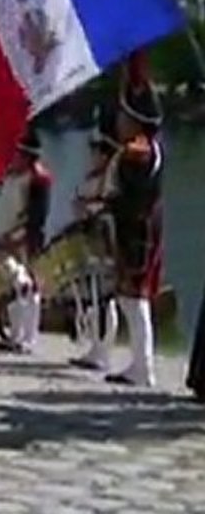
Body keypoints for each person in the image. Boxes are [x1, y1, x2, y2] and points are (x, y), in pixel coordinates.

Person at [104, 54, 164, 387]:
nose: (120, 120)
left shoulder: (138, 150)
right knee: (129, 295)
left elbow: (130, 194)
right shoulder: (138, 147)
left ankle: (144, 366)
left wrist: (109, 203)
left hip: (136, 227)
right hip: (135, 224)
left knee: (134, 295)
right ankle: (139, 364)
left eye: (125, 114)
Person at [0, 129, 51, 354]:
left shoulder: (38, 180)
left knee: (28, 287)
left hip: (25, 240)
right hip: (4, 238)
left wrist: (15, 239)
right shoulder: (9, 177)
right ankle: (14, 335)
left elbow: (36, 219)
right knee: (11, 286)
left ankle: (28, 338)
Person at [68, 107, 120, 372]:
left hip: (104, 240)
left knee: (105, 297)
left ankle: (103, 352)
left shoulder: (110, 179)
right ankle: (95, 347)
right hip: (88, 240)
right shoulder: (92, 178)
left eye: (97, 151)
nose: (93, 155)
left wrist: (87, 209)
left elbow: (107, 208)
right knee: (92, 296)